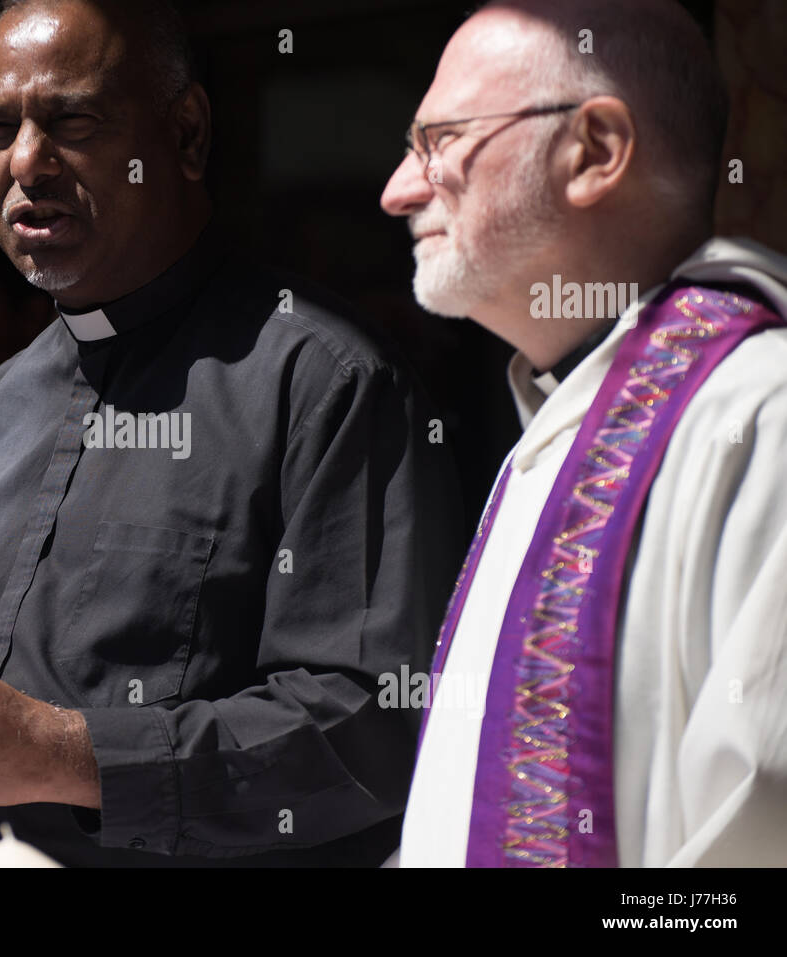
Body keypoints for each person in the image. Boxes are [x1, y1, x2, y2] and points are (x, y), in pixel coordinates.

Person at [0, 0, 464, 866]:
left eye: (72, 120)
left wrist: (68, 754)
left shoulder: (326, 382)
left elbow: (372, 726)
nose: (26, 160)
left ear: (186, 135)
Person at [379, 0, 787, 867]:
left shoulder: (760, 410)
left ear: (595, 151)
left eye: (441, 141)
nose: (399, 190)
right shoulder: (556, 430)